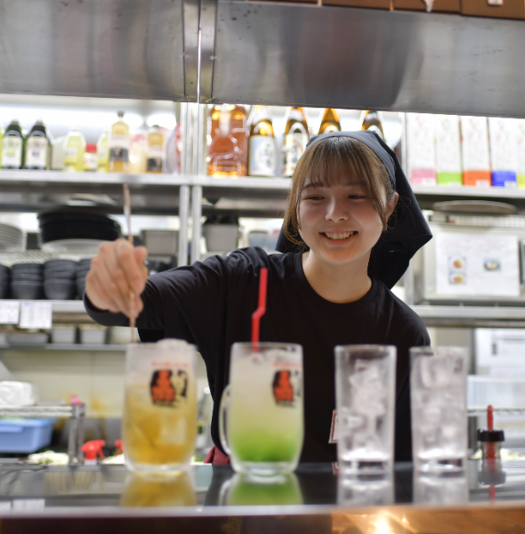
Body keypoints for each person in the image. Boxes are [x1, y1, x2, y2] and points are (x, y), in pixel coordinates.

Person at [84, 130, 433, 463]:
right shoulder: (243, 280)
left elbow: (405, 468)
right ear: (295, 206)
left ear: (390, 206)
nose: (334, 213)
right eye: (315, 197)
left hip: (349, 502)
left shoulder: (403, 332)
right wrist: (110, 289)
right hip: (240, 497)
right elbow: (140, 304)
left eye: (356, 196)